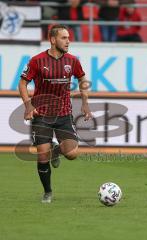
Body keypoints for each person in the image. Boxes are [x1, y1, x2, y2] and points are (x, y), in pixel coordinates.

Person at [18, 24, 92, 203]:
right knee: (42, 154)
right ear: (52, 40)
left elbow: (82, 78)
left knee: (72, 154)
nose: (68, 41)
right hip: (41, 114)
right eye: (64, 38)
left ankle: (56, 151)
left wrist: (85, 103)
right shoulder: (37, 61)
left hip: (64, 114)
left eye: (68, 38)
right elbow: (22, 83)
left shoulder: (73, 61)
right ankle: (48, 192)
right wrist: (28, 106)